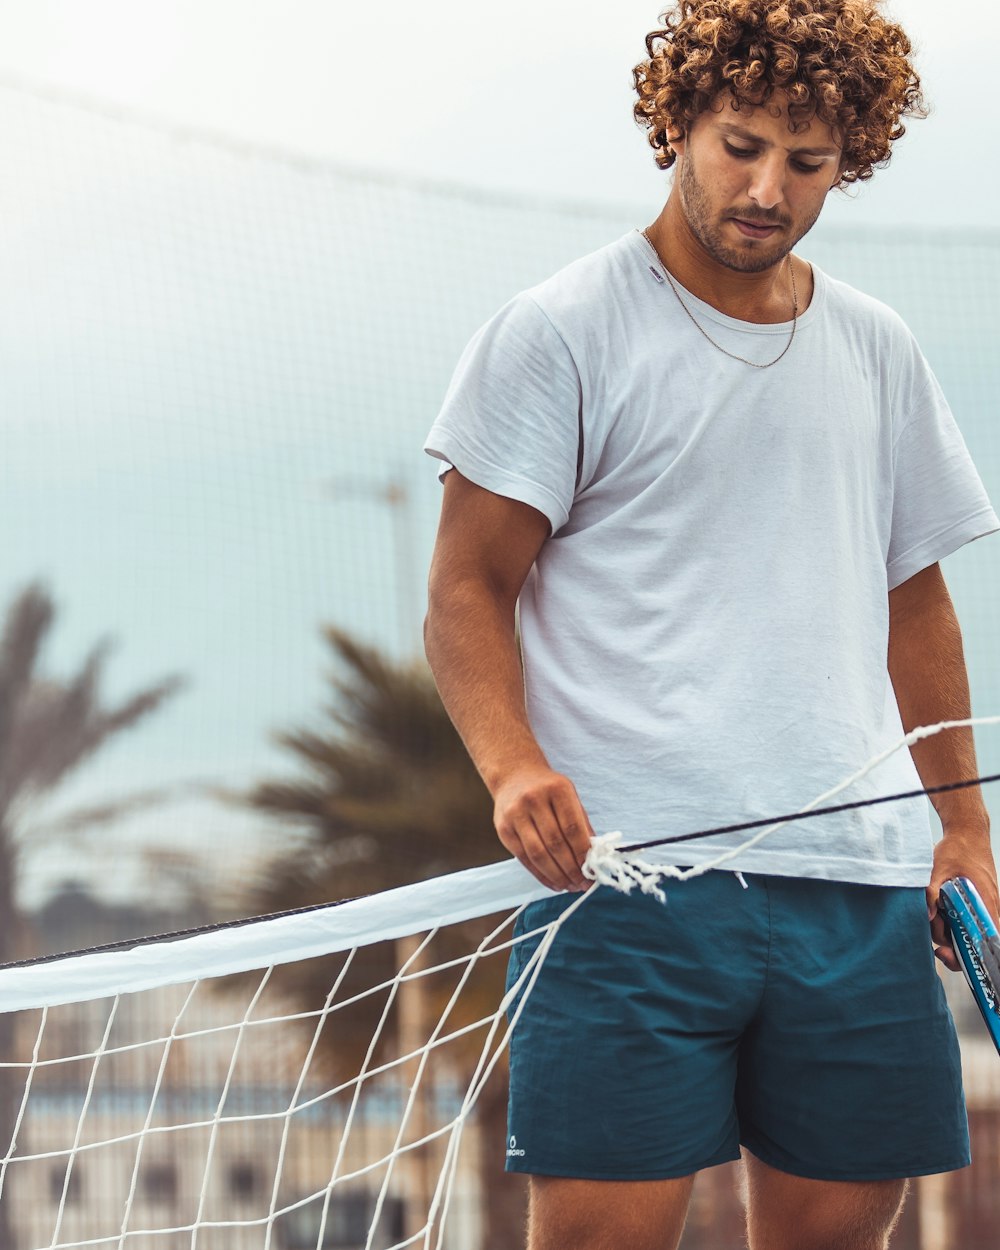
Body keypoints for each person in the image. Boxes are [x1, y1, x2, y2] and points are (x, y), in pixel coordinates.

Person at [422, 1, 1000, 1246]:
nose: (766, 188)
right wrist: (513, 763)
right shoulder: (559, 330)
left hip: (858, 882)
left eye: (808, 163)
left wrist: (962, 824)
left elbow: (916, 602)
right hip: (625, 880)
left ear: (852, 161)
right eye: (739, 144)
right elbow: (467, 587)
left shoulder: (879, 348)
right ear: (676, 122)